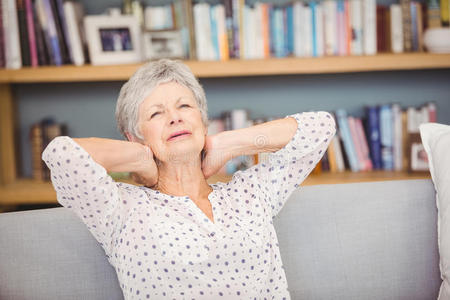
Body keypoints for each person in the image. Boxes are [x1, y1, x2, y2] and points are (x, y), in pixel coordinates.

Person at [42, 59, 336, 300]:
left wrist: (227, 143)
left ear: (202, 120)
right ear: (134, 136)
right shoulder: (121, 210)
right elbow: (63, 155)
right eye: (157, 113)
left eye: (184, 106)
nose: (174, 118)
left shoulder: (250, 192)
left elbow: (321, 127)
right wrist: (140, 158)